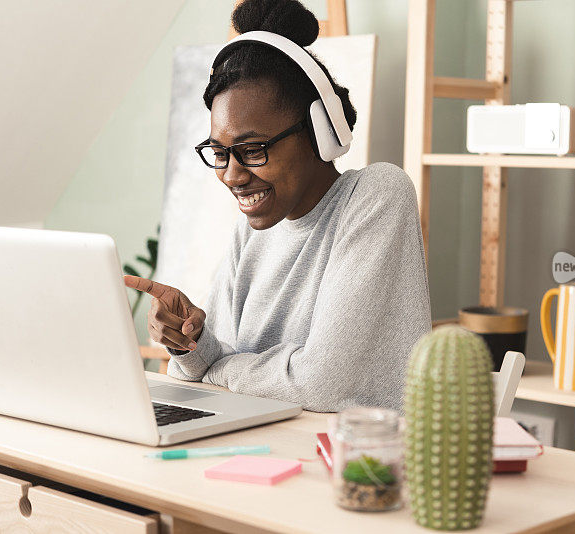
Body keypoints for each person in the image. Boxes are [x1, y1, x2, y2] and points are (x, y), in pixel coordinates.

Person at [124, 0, 430, 412]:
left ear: (320, 133)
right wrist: (190, 345)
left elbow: (320, 386)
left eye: (252, 149)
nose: (231, 175)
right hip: (269, 450)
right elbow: (197, 378)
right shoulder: (248, 233)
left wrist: (220, 367)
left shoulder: (377, 195)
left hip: (359, 465)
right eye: (219, 152)